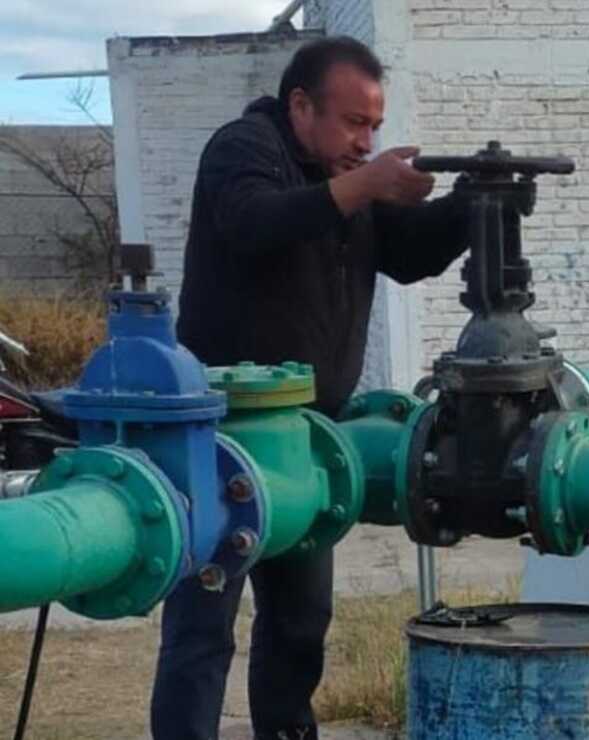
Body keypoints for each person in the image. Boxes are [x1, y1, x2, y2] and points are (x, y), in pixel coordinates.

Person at [154, 36, 470, 740]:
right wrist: (366, 184)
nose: (366, 142)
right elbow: (253, 223)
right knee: (202, 630)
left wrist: (473, 207)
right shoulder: (243, 148)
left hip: (305, 441)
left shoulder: (346, 178)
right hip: (219, 439)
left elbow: (410, 255)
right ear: (301, 106)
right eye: (354, 122)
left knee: (300, 623)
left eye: (374, 126)